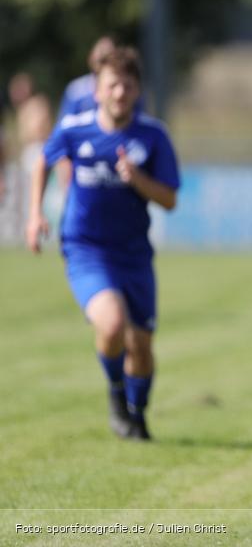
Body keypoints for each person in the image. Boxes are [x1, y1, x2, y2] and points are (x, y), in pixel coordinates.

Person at [26, 47, 180, 441]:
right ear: (97, 90)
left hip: (133, 255)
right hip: (85, 249)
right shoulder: (75, 128)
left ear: (137, 90)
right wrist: (35, 213)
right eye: (112, 85)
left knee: (142, 347)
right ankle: (116, 395)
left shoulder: (152, 135)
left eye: (127, 85)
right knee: (111, 324)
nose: (119, 93)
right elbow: (44, 159)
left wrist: (137, 179)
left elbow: (169, 200)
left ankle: (138, 413)